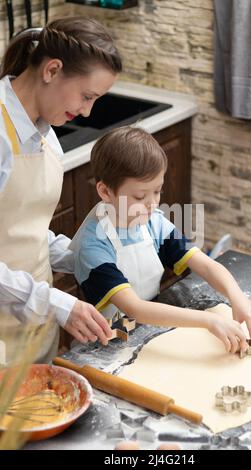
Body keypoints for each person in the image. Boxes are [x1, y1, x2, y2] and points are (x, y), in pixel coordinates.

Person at [70, 126, 251, 354]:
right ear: (105, 192)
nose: (152, 203)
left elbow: (205, 264)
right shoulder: (93, 245)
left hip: (150, 328)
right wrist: (209, 321)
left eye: (157, 191)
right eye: (139, 196)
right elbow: (135, 309)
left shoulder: (152, 222)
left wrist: (238, 298)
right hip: (107, 344)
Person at [0, 16, 123, 363]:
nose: (87, 111)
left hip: (33, 332)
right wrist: (55, 302)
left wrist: (85, 256)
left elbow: (24, 232)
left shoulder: (46, 132)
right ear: (51, 70)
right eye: (86, 96)